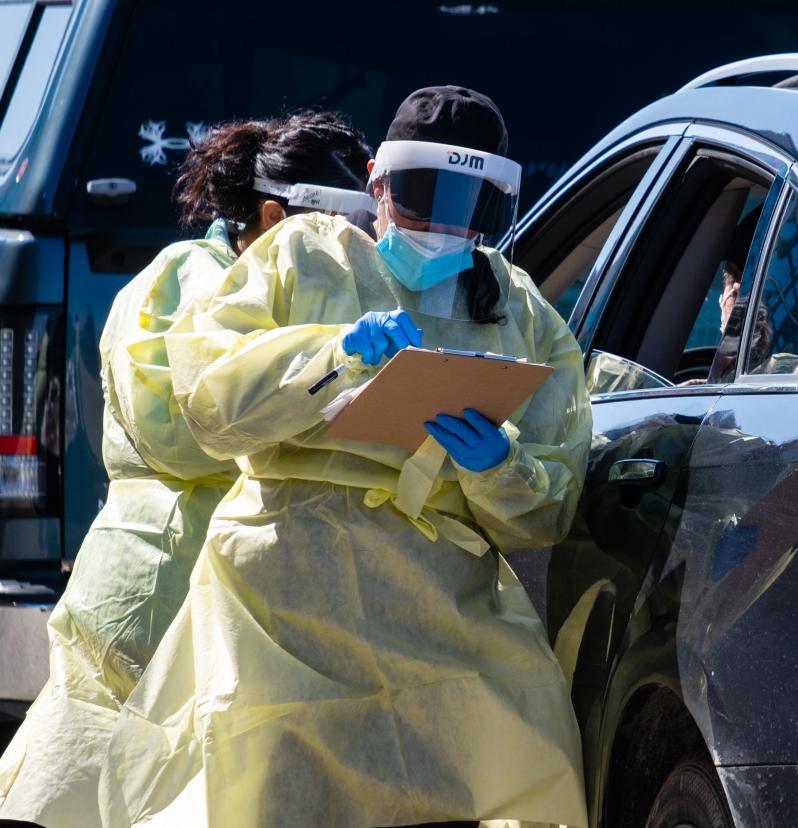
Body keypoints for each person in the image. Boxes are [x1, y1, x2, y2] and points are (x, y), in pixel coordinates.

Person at [100, 87, 591, 828]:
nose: (443, 225)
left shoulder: (517, 306)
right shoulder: (302, 252)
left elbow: (549, 505)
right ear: (379, 184)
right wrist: (328, 355)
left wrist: (501, 466)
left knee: (532, 765)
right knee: (269, 796)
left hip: (439, 605)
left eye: (471, 203)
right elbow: (210, 401)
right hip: (281, 598)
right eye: (426, 195)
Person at [0, 111, 373, 828]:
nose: (351, 248)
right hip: (158, 594)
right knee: (97, 796)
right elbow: (184, 426)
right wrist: (316, 388)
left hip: (245, 607)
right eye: (334, 226)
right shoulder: (183, 281)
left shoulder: (300, 295)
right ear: (271, 216)